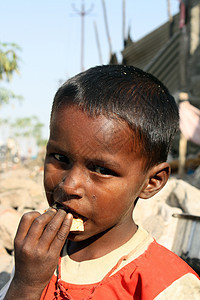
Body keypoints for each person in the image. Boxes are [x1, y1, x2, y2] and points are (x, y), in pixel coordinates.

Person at [1, 65, 199, 300]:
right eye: (60, 158)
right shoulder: (36, 258)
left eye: (101, 170)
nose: (68, 185)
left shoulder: (167, 286)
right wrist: (26, 285)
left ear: (152, 182)